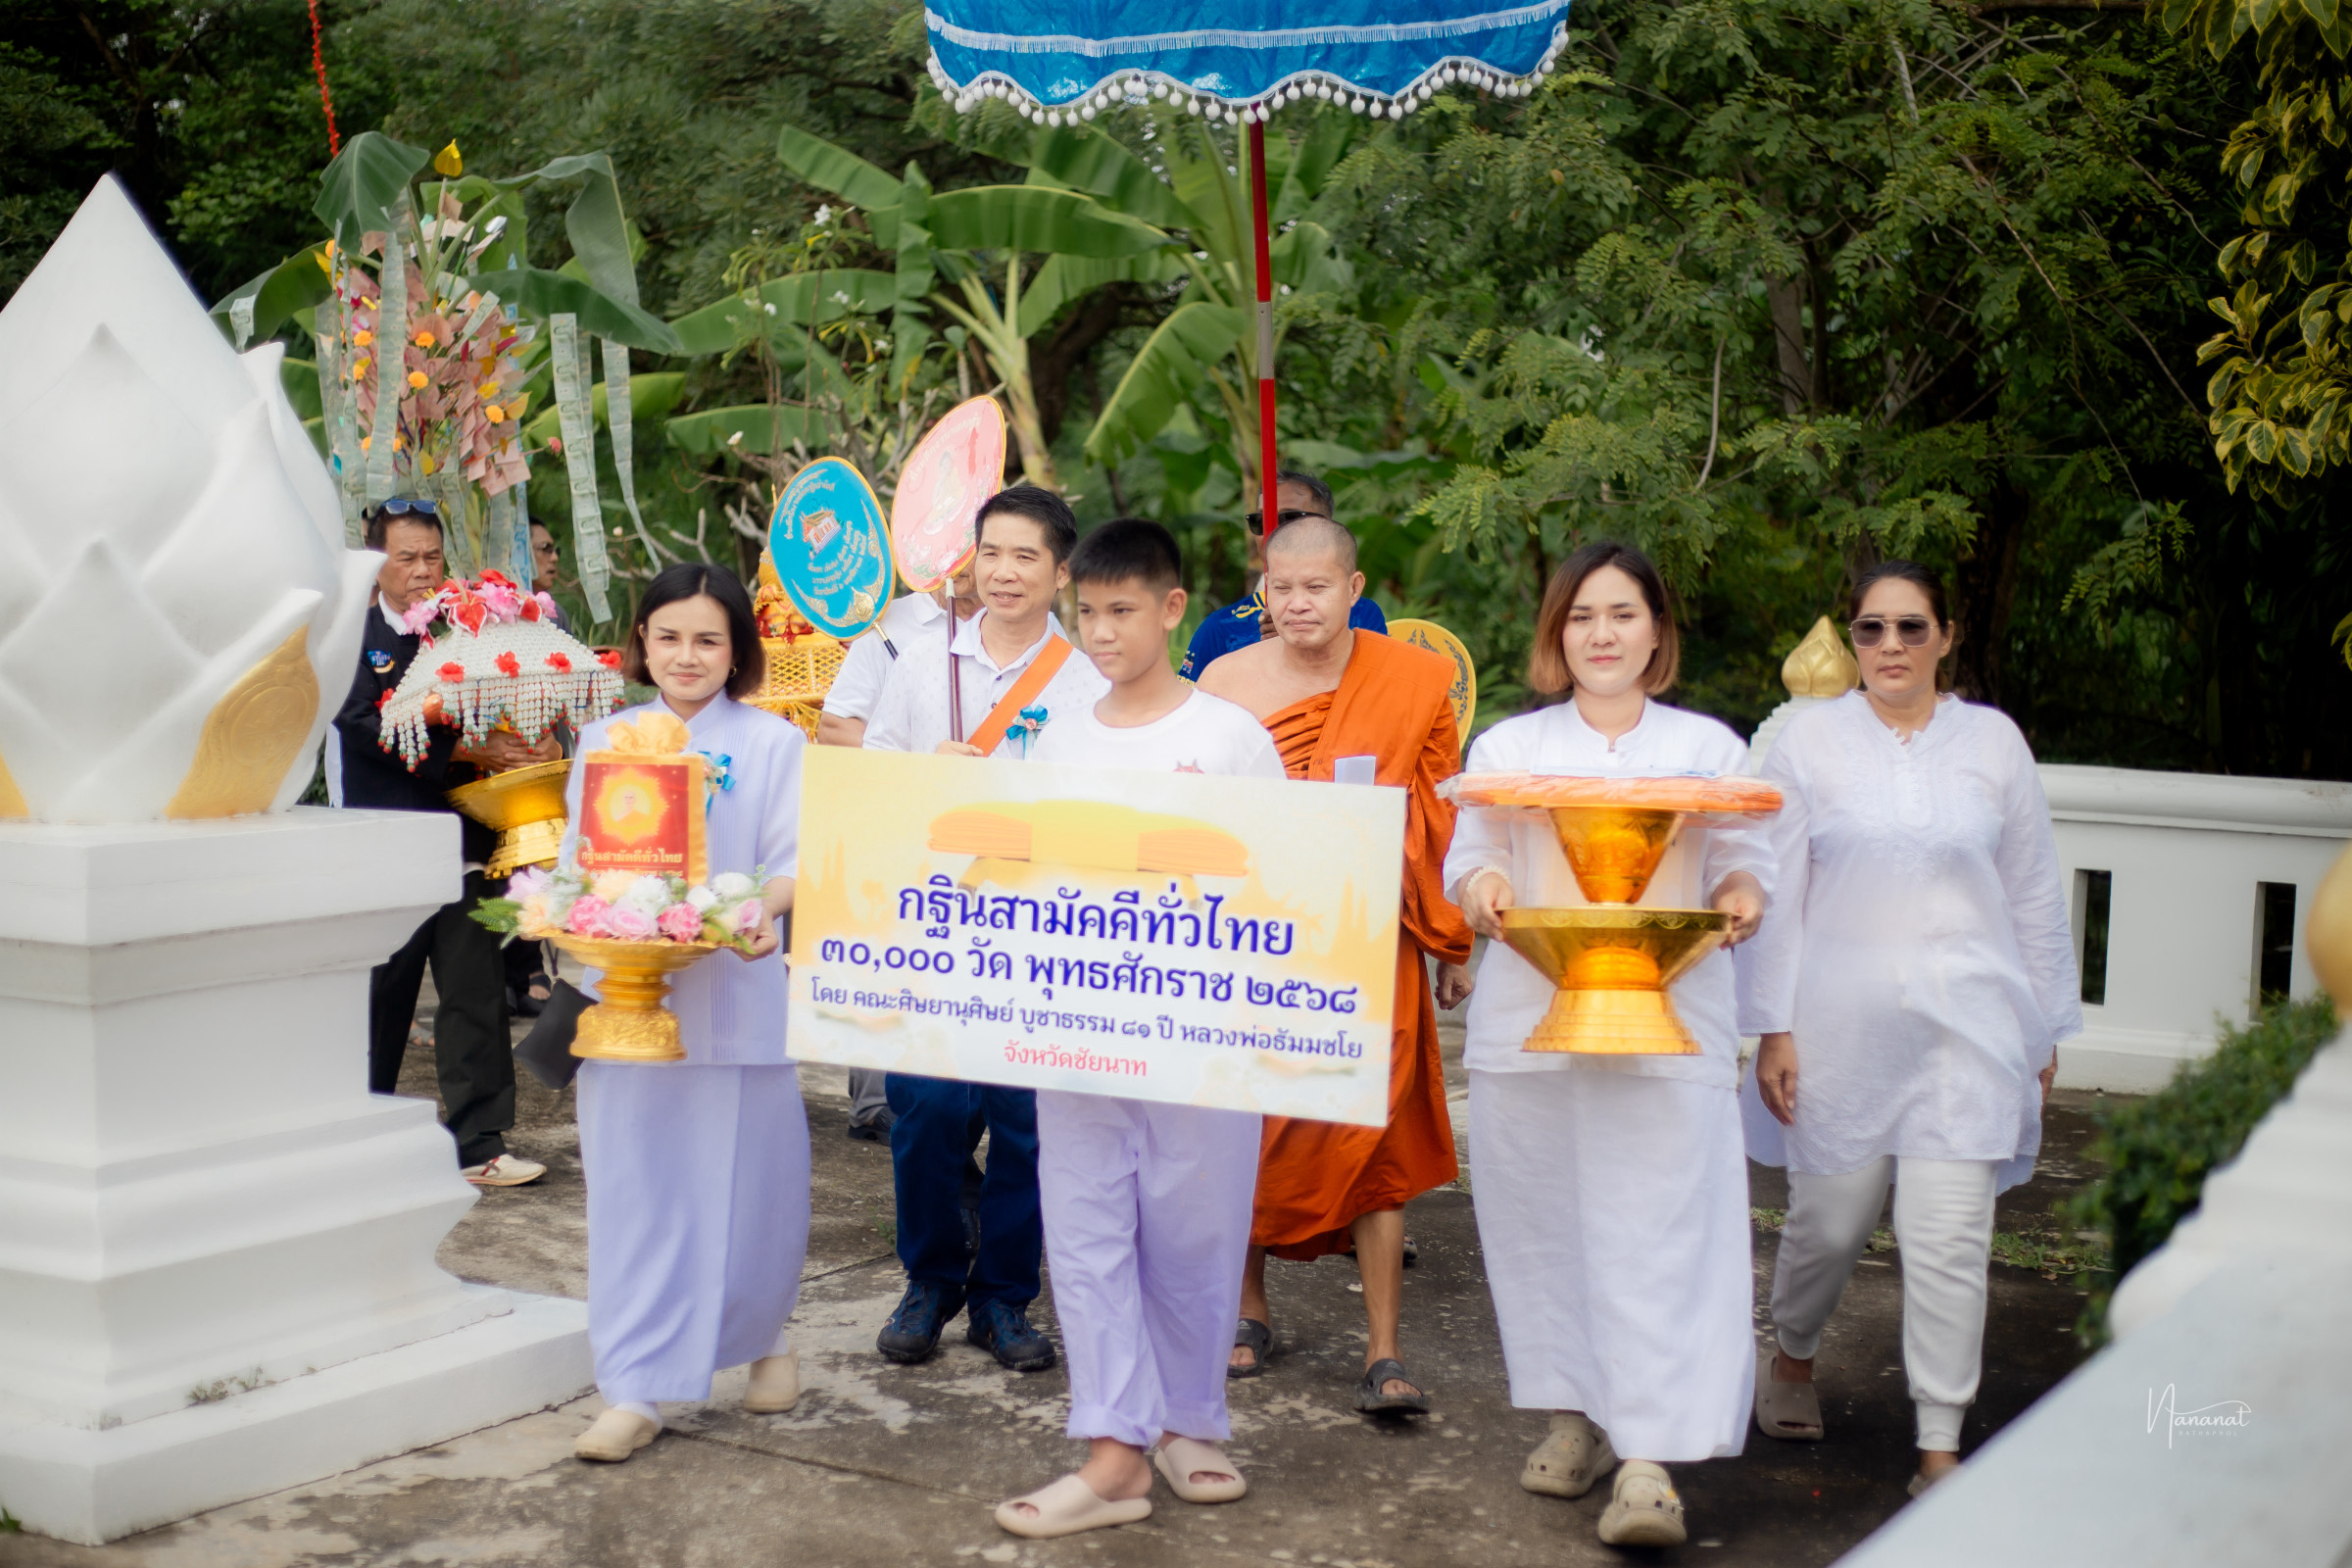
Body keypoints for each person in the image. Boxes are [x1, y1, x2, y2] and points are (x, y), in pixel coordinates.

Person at [1442, 542, 1769, 1550]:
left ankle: (1650, 1462)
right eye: (1583, 615)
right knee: (1545, 1225)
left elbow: (1748, 858)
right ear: (1557, 631)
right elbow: (1476, 852)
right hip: (1531, 1029)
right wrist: (1487, 893)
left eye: (1623, 614)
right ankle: (1573, 1417)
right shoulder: (1507, 749)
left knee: (1658, 1232)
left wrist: (1740, 898)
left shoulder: (1709, 750)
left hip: (1670, 1031)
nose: (1602, 634)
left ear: (1658, 630)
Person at [1738, 561, 2081, 1496]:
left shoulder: (1994, 745)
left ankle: (1939, 1446)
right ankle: (1796, 1353)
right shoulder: (1810, 745)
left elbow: (2035, 897)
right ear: (1852, 641)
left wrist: (2044, 1029)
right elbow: (1775, 892)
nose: (1890, 647)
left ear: (1947, 634)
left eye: (1910, 628)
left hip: (1968, 1028)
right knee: (1831, 1223)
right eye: (1871, 630)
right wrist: (1772, 1026)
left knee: (1950, 1235)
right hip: (1838, 1026)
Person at [998, 517, 1288, 1540]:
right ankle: (1115, 1448)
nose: (1104, 631)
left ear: (1171, 608)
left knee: (1194, 1230)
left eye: (1124, 610)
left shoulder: (1230, 738)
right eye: (1090, 611)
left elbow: (1280, 886)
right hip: (1076, 1028)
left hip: (1202, 1035)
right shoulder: (1059, 730)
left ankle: (1189, 1417)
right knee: (1083, 1230)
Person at [1197, 517, 1474, 1411]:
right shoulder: (1227, 681)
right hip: (1258, 939)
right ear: (1261, 591)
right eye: (1281, 588)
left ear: (1356, 590)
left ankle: (1384, 1349)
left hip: (1369, 936)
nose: (1297, 604)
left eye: (1317, 587)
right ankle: (1247, 1310)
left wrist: (1447, 943)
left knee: (1377, 1137)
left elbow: (1442, 820)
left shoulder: (1417, 679)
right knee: (1246, 1121)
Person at [861, 485, 1110, 1375]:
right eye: (991, 553)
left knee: (1027, 1124)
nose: (1004, 573)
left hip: (1040, 939)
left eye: (1026, 557)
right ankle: (928, 1281)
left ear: (1061, 571)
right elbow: (876, 773)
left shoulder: (1085, 682)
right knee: (923, 1109)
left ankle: (1005, 1299)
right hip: (933, 928)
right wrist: (930, 774)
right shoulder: (926, 663)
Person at [564, 562, 810, 1464]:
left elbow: (792, 863)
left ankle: (764, 1335)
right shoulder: (607, 738)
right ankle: (635, 1388)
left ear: (737, 650)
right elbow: (575, 865)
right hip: (630, 1002)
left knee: (754, 1192)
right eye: (668, 636)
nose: (687, 655)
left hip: (738, 995)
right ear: (641, 643)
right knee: (636, 1193)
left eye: (709, 638)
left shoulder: (775, 743)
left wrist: (751, 912)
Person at [334, 498, 553, 1188]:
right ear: (377, 567)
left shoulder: (467, 634)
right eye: (407, 559)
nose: (423, 572)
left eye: (433, 557)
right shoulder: (348, 637)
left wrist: (526, 739)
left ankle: (478, 1144)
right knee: (380, 994)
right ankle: (351, 1127)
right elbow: (359, 726)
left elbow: (512, 702)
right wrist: (466, 755)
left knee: (474, 993)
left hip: (466, 840)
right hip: (388, 846)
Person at [818, 567, 980, 1144]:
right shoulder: (890, 625)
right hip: (895, 819)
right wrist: (920, 768)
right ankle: (876, 1101)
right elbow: (835, 728)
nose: (977, 566)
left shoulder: (1038, 631)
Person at [1176, 469, 1388, 681]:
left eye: (1289, 518)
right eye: (1261, 520)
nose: (1274, 530)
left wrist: (1300, 644)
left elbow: (1372, 694)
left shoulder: (1361, 614)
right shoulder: (1220, 627)